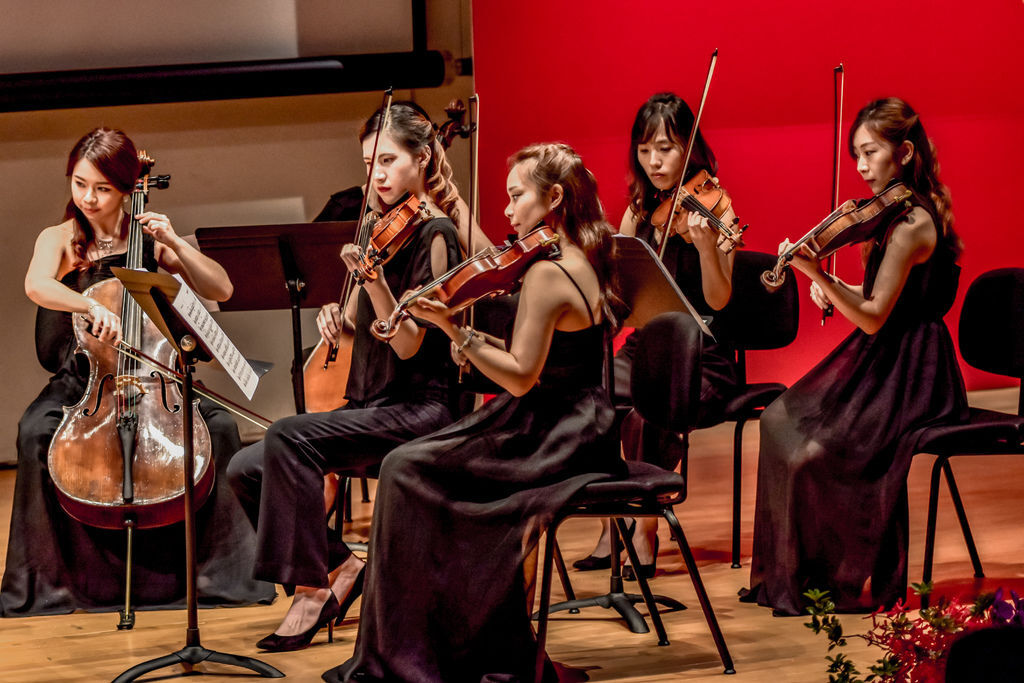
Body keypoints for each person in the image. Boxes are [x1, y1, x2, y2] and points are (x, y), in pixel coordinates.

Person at [325, 142, 628, 683]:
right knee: (412, 465)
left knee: (404, 468)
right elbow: (541, 361)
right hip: (579, 420)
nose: (507, 212)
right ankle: (438, 647)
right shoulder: (580, 255)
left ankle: (425, 654)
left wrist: (451, 328)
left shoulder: (547, 274)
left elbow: (520, 376)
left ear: (555, 198)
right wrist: (474, 339)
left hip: (552, 430)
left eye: (516, 197)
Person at [1, 127, 274, 616]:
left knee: (220, 428)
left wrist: (175, 245)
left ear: (128, 189)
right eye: (80, 183)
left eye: (102, 188)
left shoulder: (148, 238)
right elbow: (37, 285)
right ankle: (51, 583)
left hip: (154, 376)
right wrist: (87, 304)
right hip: (87, 378)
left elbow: (222, 289)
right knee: (34, 431)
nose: (88, 197)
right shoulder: (60, 238)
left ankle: (221, 575)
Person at [226, 102, 465, 651]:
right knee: (244, 468)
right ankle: (343, 566)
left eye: (388, 160)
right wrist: (336, 313)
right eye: (368, 164)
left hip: (420, 410)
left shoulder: (436, 234)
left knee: (287, 434)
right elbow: (366, 326)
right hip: (372, 402)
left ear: (422, 158)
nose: (376, 175)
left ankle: (310, 593)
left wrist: (374, 282)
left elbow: (409, 344)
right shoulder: (381, 227)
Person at [741, 97, 968, 616]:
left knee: (813, 455)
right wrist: (833, 285)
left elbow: (873, 316)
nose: (861, 167)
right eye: (857, 156)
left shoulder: (912, 224)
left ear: (904, 153)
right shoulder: (891, 217)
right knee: (777, 421)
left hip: (913, 372)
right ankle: (794, 573)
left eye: (870, 153)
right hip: (885, 356)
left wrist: (817, 274)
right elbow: (877, 299)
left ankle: (824, 578)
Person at [575, 92, 740, 579]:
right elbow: (623, 291)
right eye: (645, 150)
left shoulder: (716, 207)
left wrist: (707, 248)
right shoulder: (639, 210)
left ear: (689, 147)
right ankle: (611, 522)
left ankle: (644, 527)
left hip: (701, 357)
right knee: (590, 396)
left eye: (666, 149)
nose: (654, 161)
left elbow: (719, 300)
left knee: (649, 410)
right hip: (645, 347)